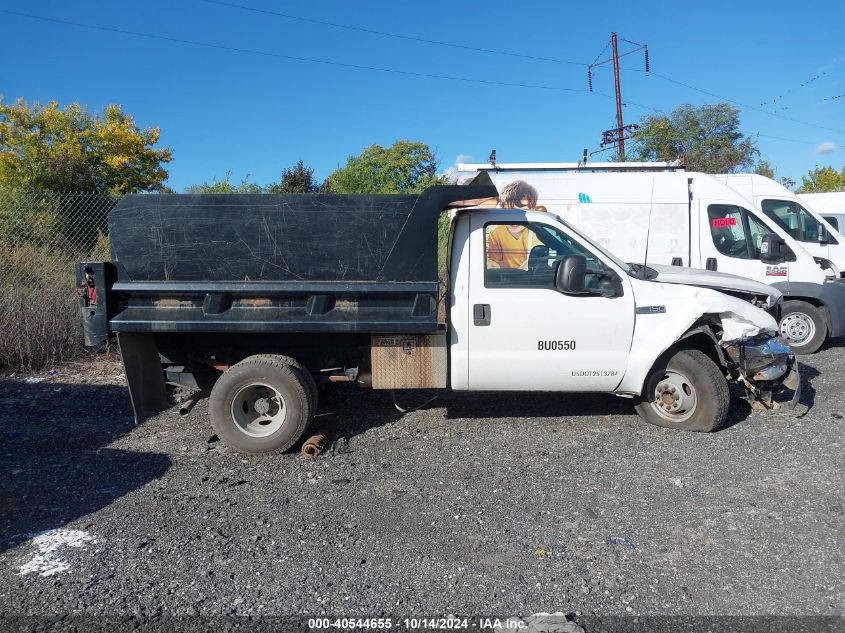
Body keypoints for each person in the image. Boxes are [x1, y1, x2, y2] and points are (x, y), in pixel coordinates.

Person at [486, 180, 547, 269]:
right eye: (510, 212)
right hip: (504, 280)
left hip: (527, 279)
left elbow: (535, 261)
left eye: (524, 212)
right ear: (503, 210)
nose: (516, 219)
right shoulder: (496, 234)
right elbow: (492, 262)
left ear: (533, 210)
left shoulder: (536, 234)